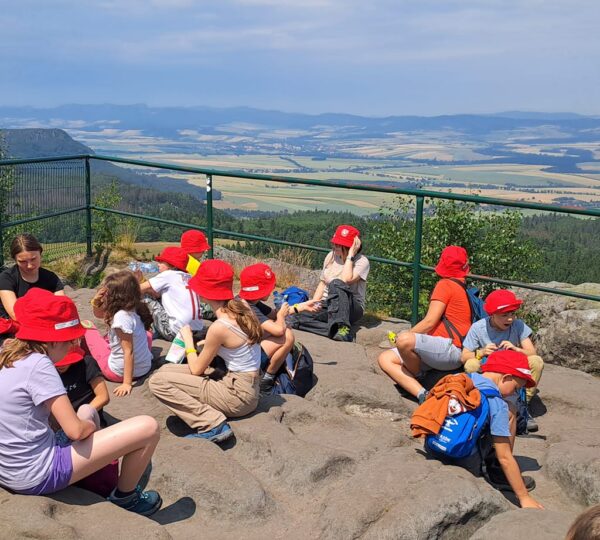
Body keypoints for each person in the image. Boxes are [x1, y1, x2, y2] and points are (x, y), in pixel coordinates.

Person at [0, 288, 162, 516]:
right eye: (69, 341)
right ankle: (126, 497)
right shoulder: (40, 364)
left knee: (87, 408)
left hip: (10, 467)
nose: (72, 346)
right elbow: (76, 431)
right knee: (149, 427)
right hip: (37, 473)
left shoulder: (9, 355)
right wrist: (90, 430)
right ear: (52, 341)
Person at [149, 259, 261, 444]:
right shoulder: (242, 307)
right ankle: (204, 413)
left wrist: (187, 341)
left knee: (157, 382)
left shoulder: (220, 326)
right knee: (163, 371)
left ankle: (212, 424)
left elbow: (196, 370)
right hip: (243, 383)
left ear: (203, 291)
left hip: (237, 396)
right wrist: (204, 343)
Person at [430, 350, 543, 509]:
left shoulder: (459, 379)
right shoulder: (496, 403)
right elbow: (505, 457)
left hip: (433, 447)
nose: (516, 393)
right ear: (506, 378)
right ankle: (495, 470)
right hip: (462, 460)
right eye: (517, 388)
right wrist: (524, 497)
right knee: (510, 411)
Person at [378, 245, 472, 404]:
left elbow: (430, 321)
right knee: (385, 358)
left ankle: (420, 378)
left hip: (450, 348)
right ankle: (423, 394)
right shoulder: (461, 287)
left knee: (404, 341)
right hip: (444, 350)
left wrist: (405, 335)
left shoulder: (445, 285)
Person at [461, 289, 544, 432]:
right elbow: (464, 356)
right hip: (490, 369)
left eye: (512, 314)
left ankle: (523, 406)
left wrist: (516, 349)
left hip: (510, 368)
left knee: (536, 361)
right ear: (492, 315)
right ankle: (482, 401)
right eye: (504, 315)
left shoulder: (518, 325)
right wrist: (481, 352)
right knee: (471, 364)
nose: (510, 319)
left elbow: (532, 352)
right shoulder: (478, 327)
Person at [238, 263, 319, 394]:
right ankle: (266, 379)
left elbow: (274, 313)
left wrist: (301, 307)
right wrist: (281, 316)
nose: (271, 290)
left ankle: (266, 373)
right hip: (244, 359)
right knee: (287, 335)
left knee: (279, 327)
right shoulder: (250, 308)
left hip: (241, 352)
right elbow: (278, 329)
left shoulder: (247, 301)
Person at [289, 224, 370, 342]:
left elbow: (346, 280)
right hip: (328, 303)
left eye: (340, 244)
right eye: (335, 243)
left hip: (352, 307)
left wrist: (350, 256)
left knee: (336, 283)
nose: (335, 246)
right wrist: (313, 303)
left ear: (352, 246)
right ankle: (333, 331)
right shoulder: (330, 256)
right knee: (293, 318)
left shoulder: (362, 261)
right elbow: (323, 283)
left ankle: (343, 327)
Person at [84, 270, 154, 397]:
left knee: (87, 326)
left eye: (107, 292)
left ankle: (87, 359)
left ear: (115, 296)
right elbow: (99, 314)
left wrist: (127, 383)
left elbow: (129, 351)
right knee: (147, 335)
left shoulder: (121, 317)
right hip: (144, 367)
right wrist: (96, 301)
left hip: (117, 372)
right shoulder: (134, 306)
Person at [140, 246, 204, 341]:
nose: (158, 264)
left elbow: (138, 288)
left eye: (161, 262)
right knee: (155, 295)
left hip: (176, 333)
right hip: (197, 331)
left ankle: (142, 328)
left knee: (145, 296)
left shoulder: (168, 274)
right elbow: (158, 294)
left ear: (171, 265)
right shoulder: (189, 277)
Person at [0, 233, 65, 321]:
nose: (29, 265)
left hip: (47, 324)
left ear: (40, 253)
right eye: (22, 261)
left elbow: (62, 307)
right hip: (13, 327)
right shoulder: (6, 278)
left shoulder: (51, 278)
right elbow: (15, 315)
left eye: (33, 259)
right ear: (14, 260)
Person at [55, 346, 110, 426]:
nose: (60, 365)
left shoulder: (87, 363)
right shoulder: (47, 369)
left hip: (87, 420)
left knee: (84, 411)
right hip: (61, 421)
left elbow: (103, 397)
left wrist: (76, 419)